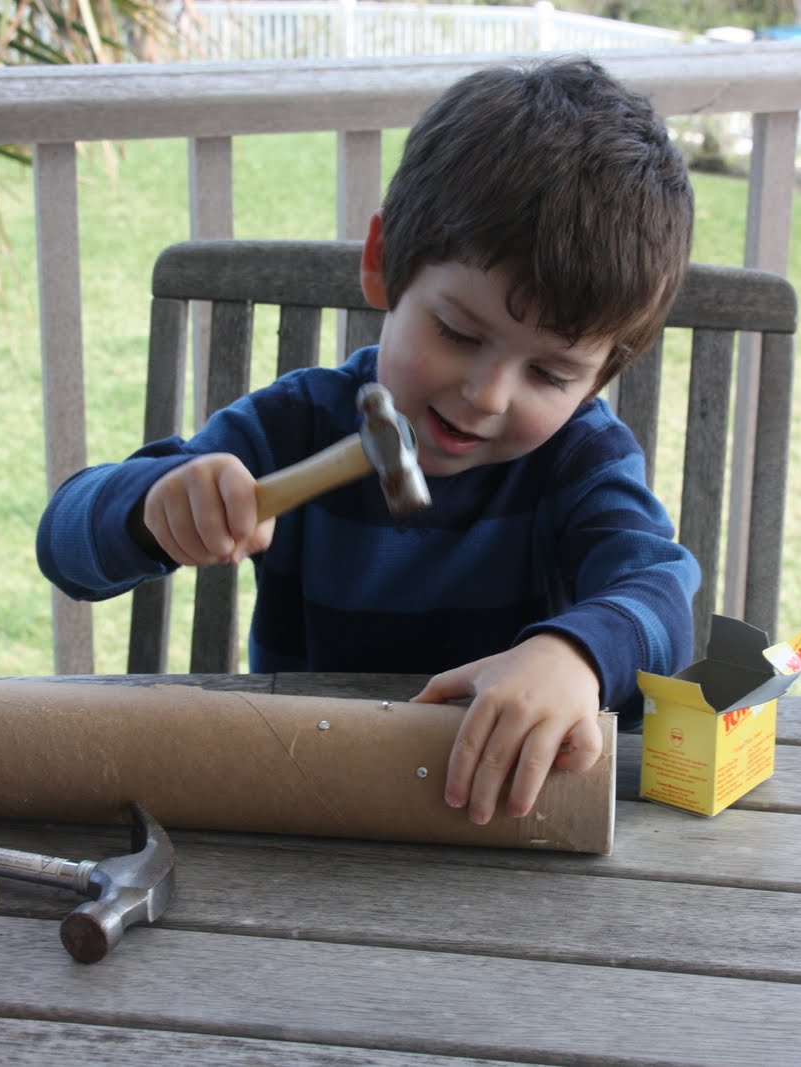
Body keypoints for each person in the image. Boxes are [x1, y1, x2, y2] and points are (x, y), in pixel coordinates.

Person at [38, 56, 699, 827]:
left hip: (499, 810)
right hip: (309, 796)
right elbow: (65, 548)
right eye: (457, 331)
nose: (486, 394)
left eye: (551, 373)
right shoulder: (297, 424)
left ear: (600, 376)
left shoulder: (580, 460)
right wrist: (150, 506)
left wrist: (577, 656)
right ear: (383, 264)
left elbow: (663, 601)